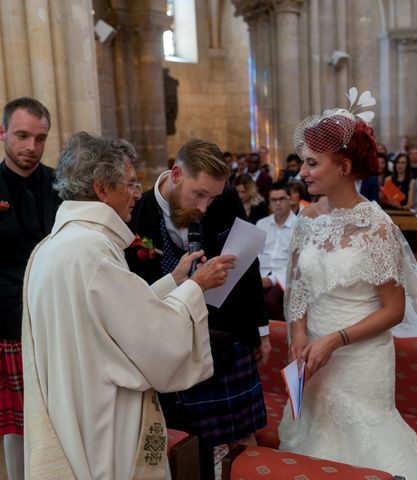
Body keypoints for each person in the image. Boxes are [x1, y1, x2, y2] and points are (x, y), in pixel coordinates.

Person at [278, 87, 417, 480]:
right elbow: (299, 286)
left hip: (360, 358)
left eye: (311, 163)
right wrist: (299, 333)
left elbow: (395, 310)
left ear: (343, 166)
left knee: (368, 451)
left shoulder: (376, 228)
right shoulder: (306, 219)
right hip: (314, 355)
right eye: (303, 163)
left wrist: (334, 339)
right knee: (316, 448)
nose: (301, 172)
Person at [23, 132, 236, 479]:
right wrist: (197, 286)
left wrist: (174, 282)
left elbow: (115, 319)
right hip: (104, 417)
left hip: (76, 406)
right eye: (130, 183)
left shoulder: (56, 246)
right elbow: (152, 339)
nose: (137, 193)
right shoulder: (90, 251)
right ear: (102, 189)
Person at [126, 138, 270, 479]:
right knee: (185, 441)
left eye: (213, 197)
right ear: (176, 174)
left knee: (243, 435)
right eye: (199, 194)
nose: (206, 206)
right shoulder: (139, 211)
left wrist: (260, 331)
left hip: (227, 330)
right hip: (170, 341)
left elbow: (247, 263)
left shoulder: (227, 198)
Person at [0, 97, 59, 480]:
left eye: (40, 138)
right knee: (16, 427)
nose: (31, 148)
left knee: (56, 419)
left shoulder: (60, 186)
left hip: (53, 323)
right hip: (6, 323)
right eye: (22, 136)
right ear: (2, 133)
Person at [256, 183, 297, 320]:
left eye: (282, 199)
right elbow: (257, 253)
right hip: (261, 272)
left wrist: (272, 279)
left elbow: (296, 262)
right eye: (274, 200)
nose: (278, 203)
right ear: (269, 203)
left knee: (271, 302)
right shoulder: (262, 224)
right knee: (246, 296)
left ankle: (277, 336)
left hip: (285, 276)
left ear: (289, 200)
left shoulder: (298, 225)